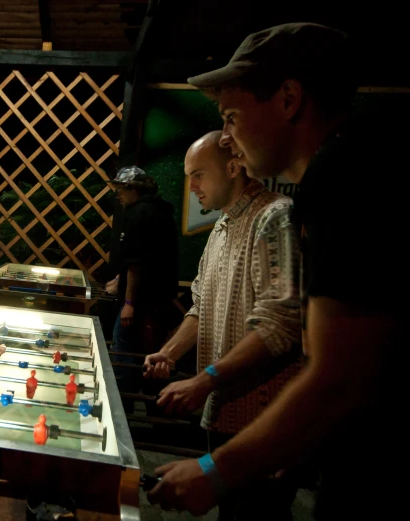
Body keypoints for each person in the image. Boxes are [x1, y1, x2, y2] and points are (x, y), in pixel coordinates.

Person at [146, 23, 403, 519]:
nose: (228, 136)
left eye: (232, 115)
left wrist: (218, 469)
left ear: (288, 99)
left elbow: (338, 374)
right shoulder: (356, 166)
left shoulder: (339, 175)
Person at [144, 131, 302, 520]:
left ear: (233, 167)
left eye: (198, 174)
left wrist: (205, 380)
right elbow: (201, 305)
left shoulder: (274, 216)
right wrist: (168, 353)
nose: (191, 186)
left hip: (266, 425)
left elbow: (280, 323)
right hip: (227, 415)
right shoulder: (220, 227)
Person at [103, 166, 179, 413]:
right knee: (152, 355)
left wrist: (128, 303)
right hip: (160, 300)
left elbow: (137, 263)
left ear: (134, 189)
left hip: (141, 302)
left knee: (124, 355)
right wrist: (120, 279)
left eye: (121, 189)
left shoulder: (137, 213)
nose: (119, 194)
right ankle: (155, 411)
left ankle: (122, 413)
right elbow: (148, 256)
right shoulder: (162, 212)